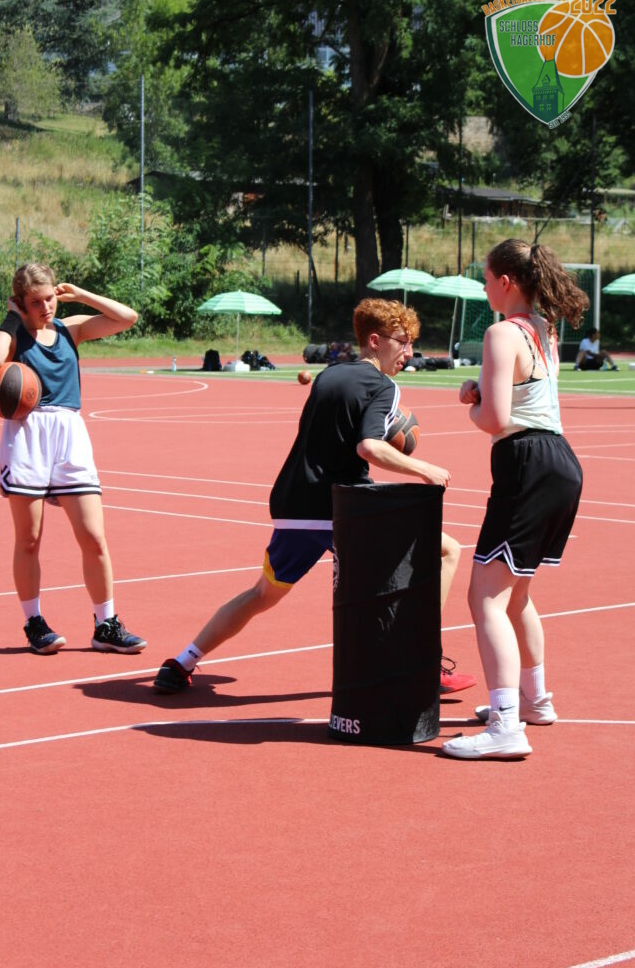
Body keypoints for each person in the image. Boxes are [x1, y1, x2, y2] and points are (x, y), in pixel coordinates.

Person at [154, 298, 474, 695]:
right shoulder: (384, 386)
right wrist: (425, 469)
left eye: (411, 344)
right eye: (402, 342)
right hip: (342, 508)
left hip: (293, 505)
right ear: (375, 341)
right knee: (446, 551)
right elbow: (369, 447)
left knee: (261, 594)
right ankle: (420, 661)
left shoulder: (330, 374)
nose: (408, 352)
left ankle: (182, 662)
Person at [443, 240, 587, 760]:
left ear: (505, 282)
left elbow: (496, 420)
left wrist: (472, 406)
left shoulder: (501, 333)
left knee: (485, 598)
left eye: (486, 279)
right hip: (561, 463)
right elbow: (524, 397)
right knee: (516, 594)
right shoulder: (545, 330)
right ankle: (534, 700)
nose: (484, 289)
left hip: (526, 464)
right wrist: (482, 390)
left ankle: (506, 725)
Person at [0, 263, 147, 656]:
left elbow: (127, 318)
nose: (46, 308)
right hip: (28, 435)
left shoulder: (70, 330)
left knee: (93, 537)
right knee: (29, 539)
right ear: (21, 303)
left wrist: (82, 295)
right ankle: (34, 622)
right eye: (35, 303)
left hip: (70, 435)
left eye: (50, 298)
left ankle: (106, 624)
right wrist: (12, 318)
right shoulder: (15, 335)